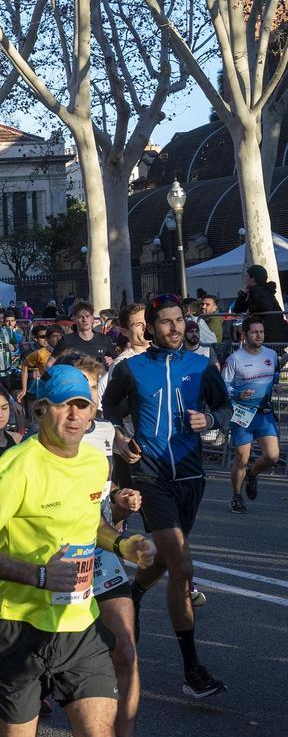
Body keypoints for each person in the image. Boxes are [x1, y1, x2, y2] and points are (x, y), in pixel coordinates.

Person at [0, 365, 157, 737]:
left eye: (81, 405)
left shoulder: (94, 463)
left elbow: (89, 522)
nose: (73, 415)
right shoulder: (15, 469)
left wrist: (121, 544)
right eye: (63, 406)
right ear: (40, 411)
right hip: (18, 627)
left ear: (90, 413)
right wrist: (38, 576)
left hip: (78, 625)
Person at [103, 294, 230, 699]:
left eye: (179, 320)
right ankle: (192, 671)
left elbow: (228, 410)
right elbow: (107, 409)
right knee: (182, 567)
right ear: (151, 328)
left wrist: (209, 419)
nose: (175, 328)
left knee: (167, 557)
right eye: (167, 322)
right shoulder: (132, 369)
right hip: (152, 476)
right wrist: (121, 439)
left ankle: (135, 591)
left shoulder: (201, 365)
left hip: (192, 477)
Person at [54, 353, 145, 737]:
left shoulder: (108, 433)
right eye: (84, 385)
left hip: (101, 551)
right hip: (55, 562)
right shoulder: (42, 437)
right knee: (49, 674)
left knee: (125, 650)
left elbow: (107, 503)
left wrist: (123, 502)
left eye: (95, 386)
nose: (91, 394)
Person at [223, 316, 284, 513]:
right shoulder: (235, 359)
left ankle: (252, 474)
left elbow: (272, 376)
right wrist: (237, 393)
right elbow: (224, 386)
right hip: (242, 412)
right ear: (245, 335)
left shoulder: (270, 355)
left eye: (261, 332)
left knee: (273, 456)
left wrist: (275, 385)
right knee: (241, 459)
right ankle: (236, 495)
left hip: (263, 412)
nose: (259, 335)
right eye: (254, 332)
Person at [234, 264, 288, 342]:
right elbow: (238, 309)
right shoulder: (258, 291)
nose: (245, 279)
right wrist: (242, 294)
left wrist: (250, 310)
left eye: (247, 276)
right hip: (272, 333)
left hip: (270, 335)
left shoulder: (259, 291)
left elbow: (265, 306)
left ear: (253, 278)